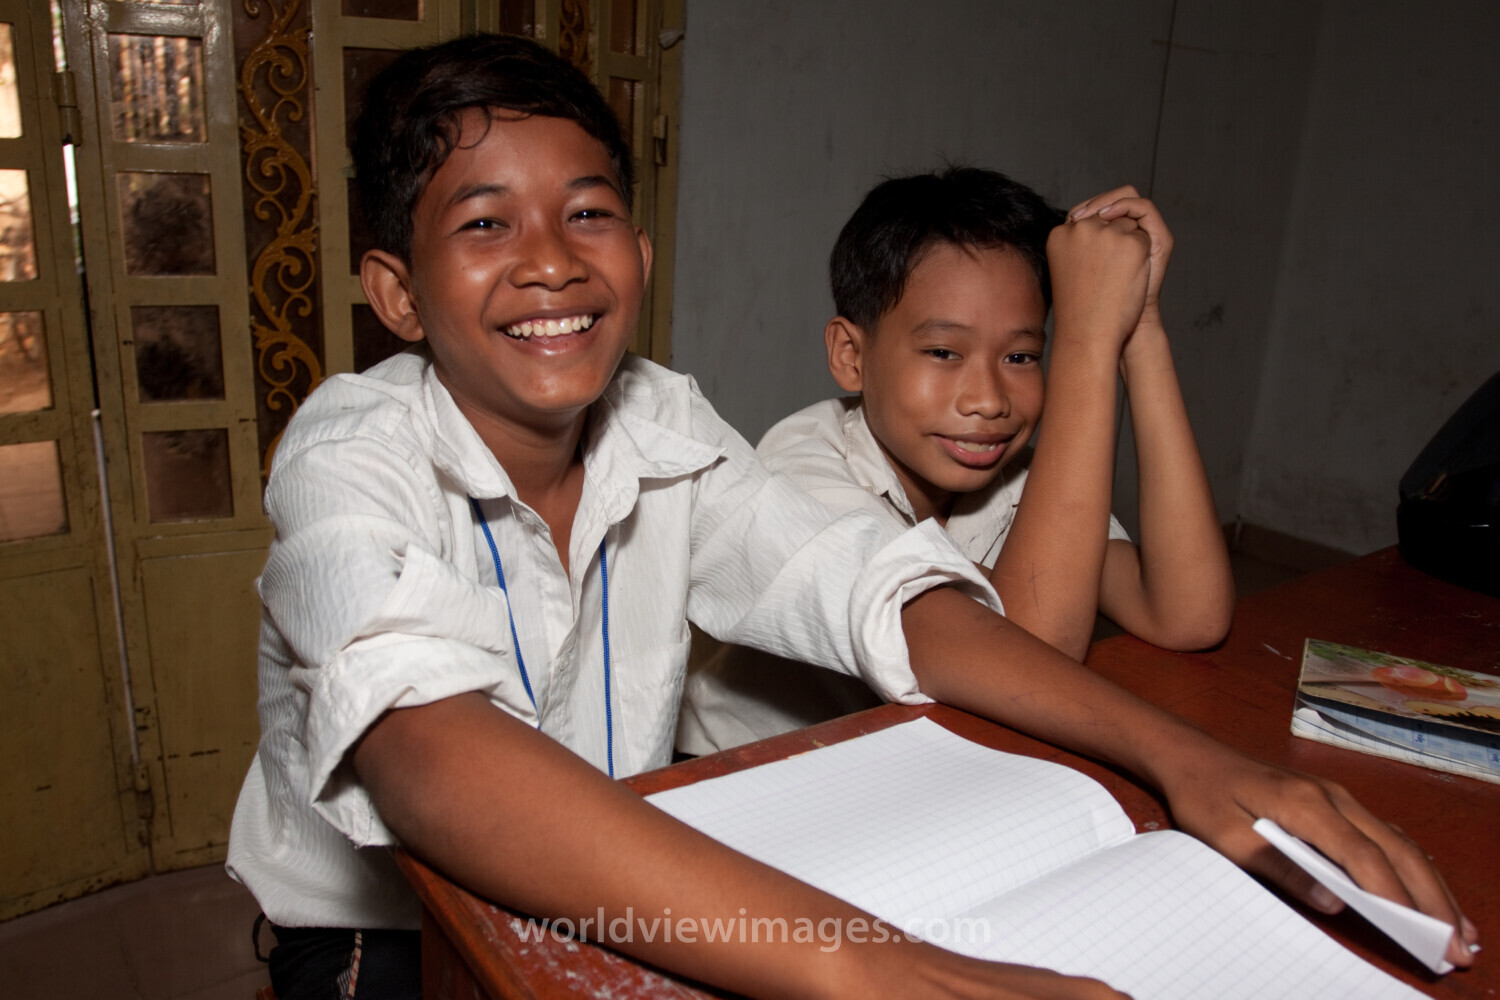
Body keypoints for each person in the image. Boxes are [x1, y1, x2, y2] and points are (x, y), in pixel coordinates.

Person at [226, 34, 1477, 1000]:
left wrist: (1192, 758)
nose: (552, 258)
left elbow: (883, 588)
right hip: (390, 929)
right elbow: (430, 754)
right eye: (485, 221)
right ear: (397, 291)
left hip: (627, 868)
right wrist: (876, 967)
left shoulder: (665, 422)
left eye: (588, 211)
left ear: (641, 256)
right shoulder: (347, 453)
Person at [678, 167, 1235, 753]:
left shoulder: (1019, 480)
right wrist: (1086, 341)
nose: (988, 401)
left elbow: (1187, 615)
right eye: (944, 352)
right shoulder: (799, 474)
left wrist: (1137, 325)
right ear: (851, 356)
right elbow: (1028, 669)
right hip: (746, 776)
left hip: (915, 761)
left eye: (1021, 357)